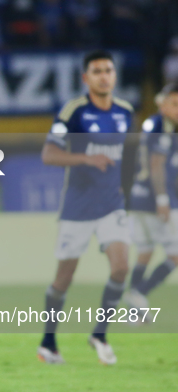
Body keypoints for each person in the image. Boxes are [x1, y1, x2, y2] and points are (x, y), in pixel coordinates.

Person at [37, 50, 134, 365]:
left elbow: (125, 156)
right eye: (97, 71)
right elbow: (49, 155)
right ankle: (48, 342)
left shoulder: (125, 112)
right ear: (86, 78)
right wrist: (85, 158)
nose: (104, 76)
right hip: (77, 207)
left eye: (108, 70)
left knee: (121, 267)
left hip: (112, 205)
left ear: (115, 75)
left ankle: (100, 334)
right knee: (64, 277)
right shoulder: (74, 111)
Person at [125, 82, 178, 310]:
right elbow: (156, 165)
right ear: (161, 103)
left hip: (138, 197)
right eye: (174, 104)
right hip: (155, 199)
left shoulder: (149, 124)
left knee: (145, 251)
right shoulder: (163, 126)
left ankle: (133, 311)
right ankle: (139, 294)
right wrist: (163, 199)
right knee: (175, 255)